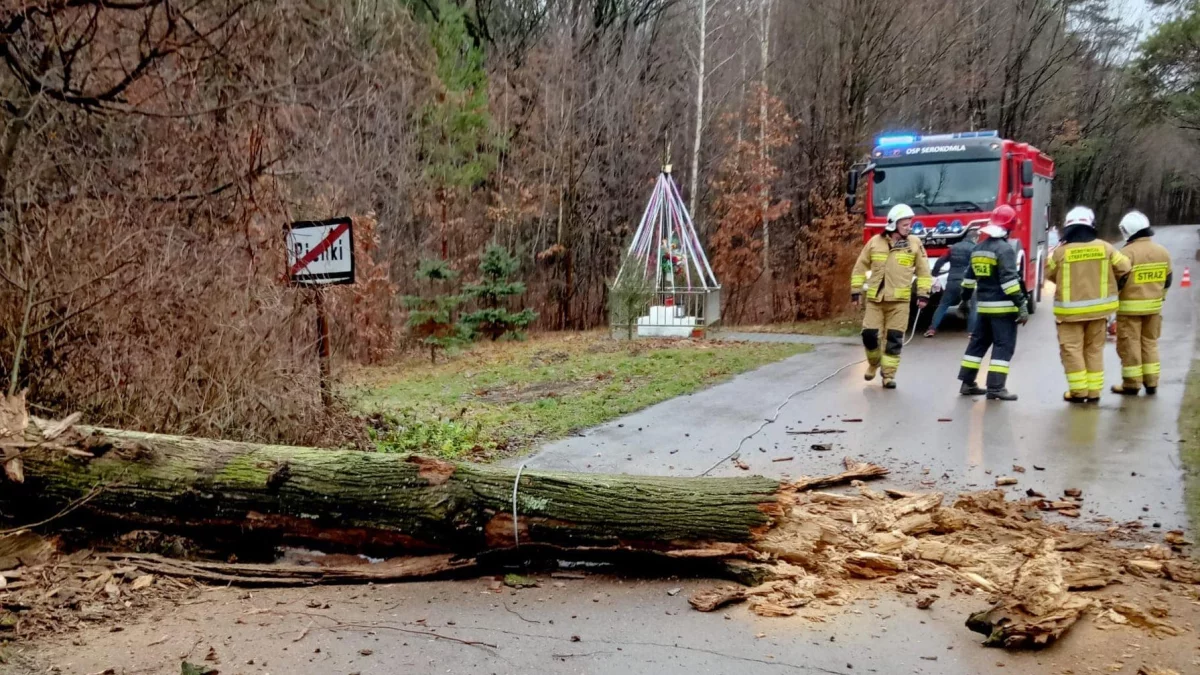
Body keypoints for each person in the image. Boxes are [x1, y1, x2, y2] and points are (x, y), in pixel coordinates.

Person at [1045, 206, 1132, 403]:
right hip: (1099, 313)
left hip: (1069, 314)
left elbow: (1049, 274)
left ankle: (1078, 392)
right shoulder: (1105, 247)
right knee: (1094, 350)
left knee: (1072, 350)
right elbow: (1125, 267)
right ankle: (1094, 392)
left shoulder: (1060, 253)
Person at [850, 204, 933, 389]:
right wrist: (856, 291)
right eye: (905, 225)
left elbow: (924, 271)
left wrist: (923, 294)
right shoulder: (874, 243)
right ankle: (873, 363)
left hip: (900, 303)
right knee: (869, 336)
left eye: (909, 224)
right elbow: (860, 267)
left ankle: (888, 376)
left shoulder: (914, 243)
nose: (909, 228)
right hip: (875, 300)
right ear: (893, 224)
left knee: (894, 340)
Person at [954, 206, 1026, 401]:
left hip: (984, 308)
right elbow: (1010, 282)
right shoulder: (1005, 249)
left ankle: (967, 383)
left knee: (977, 345)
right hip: (1003, 309)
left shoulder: (977, 249)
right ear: (1009, 227)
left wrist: (965, 300)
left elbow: (968, 279)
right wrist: (1021, 305)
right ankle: (995, 388)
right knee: (1003, 346)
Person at [1111, 210, 1172, 396]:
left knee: (1130, 346)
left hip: (1129, 310)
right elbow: (1168, 280)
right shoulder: (1163, 252)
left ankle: (1132, 384)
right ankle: (1151, 382)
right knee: (1150, 344)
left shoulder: (1125, 254)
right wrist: (1160, 297)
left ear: (1127, 231)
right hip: (1154, 308)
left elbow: (1118, 282)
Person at [925, 226, 980, 337]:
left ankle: (932, 329)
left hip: (952, 281)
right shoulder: (975, 248)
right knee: (974, 306)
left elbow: (940, 261)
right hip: (969, 281)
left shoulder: (953, 248)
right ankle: (971, 332)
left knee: (943, 305)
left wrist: (934, 275)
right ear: (975, 239)